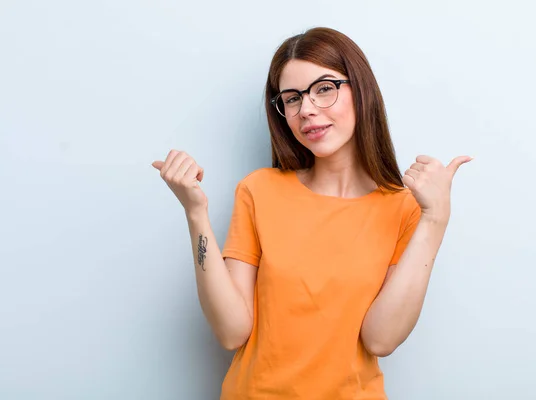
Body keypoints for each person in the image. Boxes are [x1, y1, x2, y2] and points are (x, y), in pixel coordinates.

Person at [152, 26, 471, 400]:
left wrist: (435, 220)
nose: (306, 110)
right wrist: (196, 213)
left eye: (324, 89)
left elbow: (381, 339)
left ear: (361, 90)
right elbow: (231, 331)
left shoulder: (404, 207)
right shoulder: (259, 190)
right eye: (291, 98)